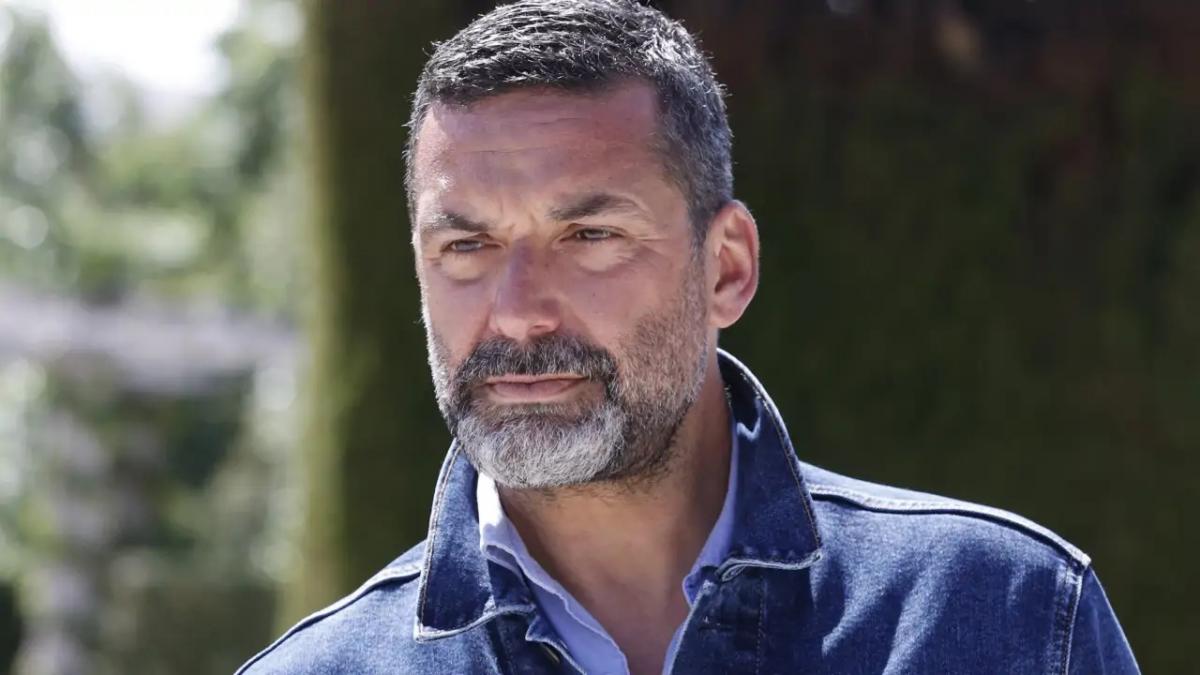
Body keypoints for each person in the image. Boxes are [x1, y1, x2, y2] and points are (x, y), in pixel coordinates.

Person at [238, 1, 1139, 673]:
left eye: (589, 236)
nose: (517, 312)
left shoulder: (1009, 620)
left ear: (727, 268)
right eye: (466, 247)